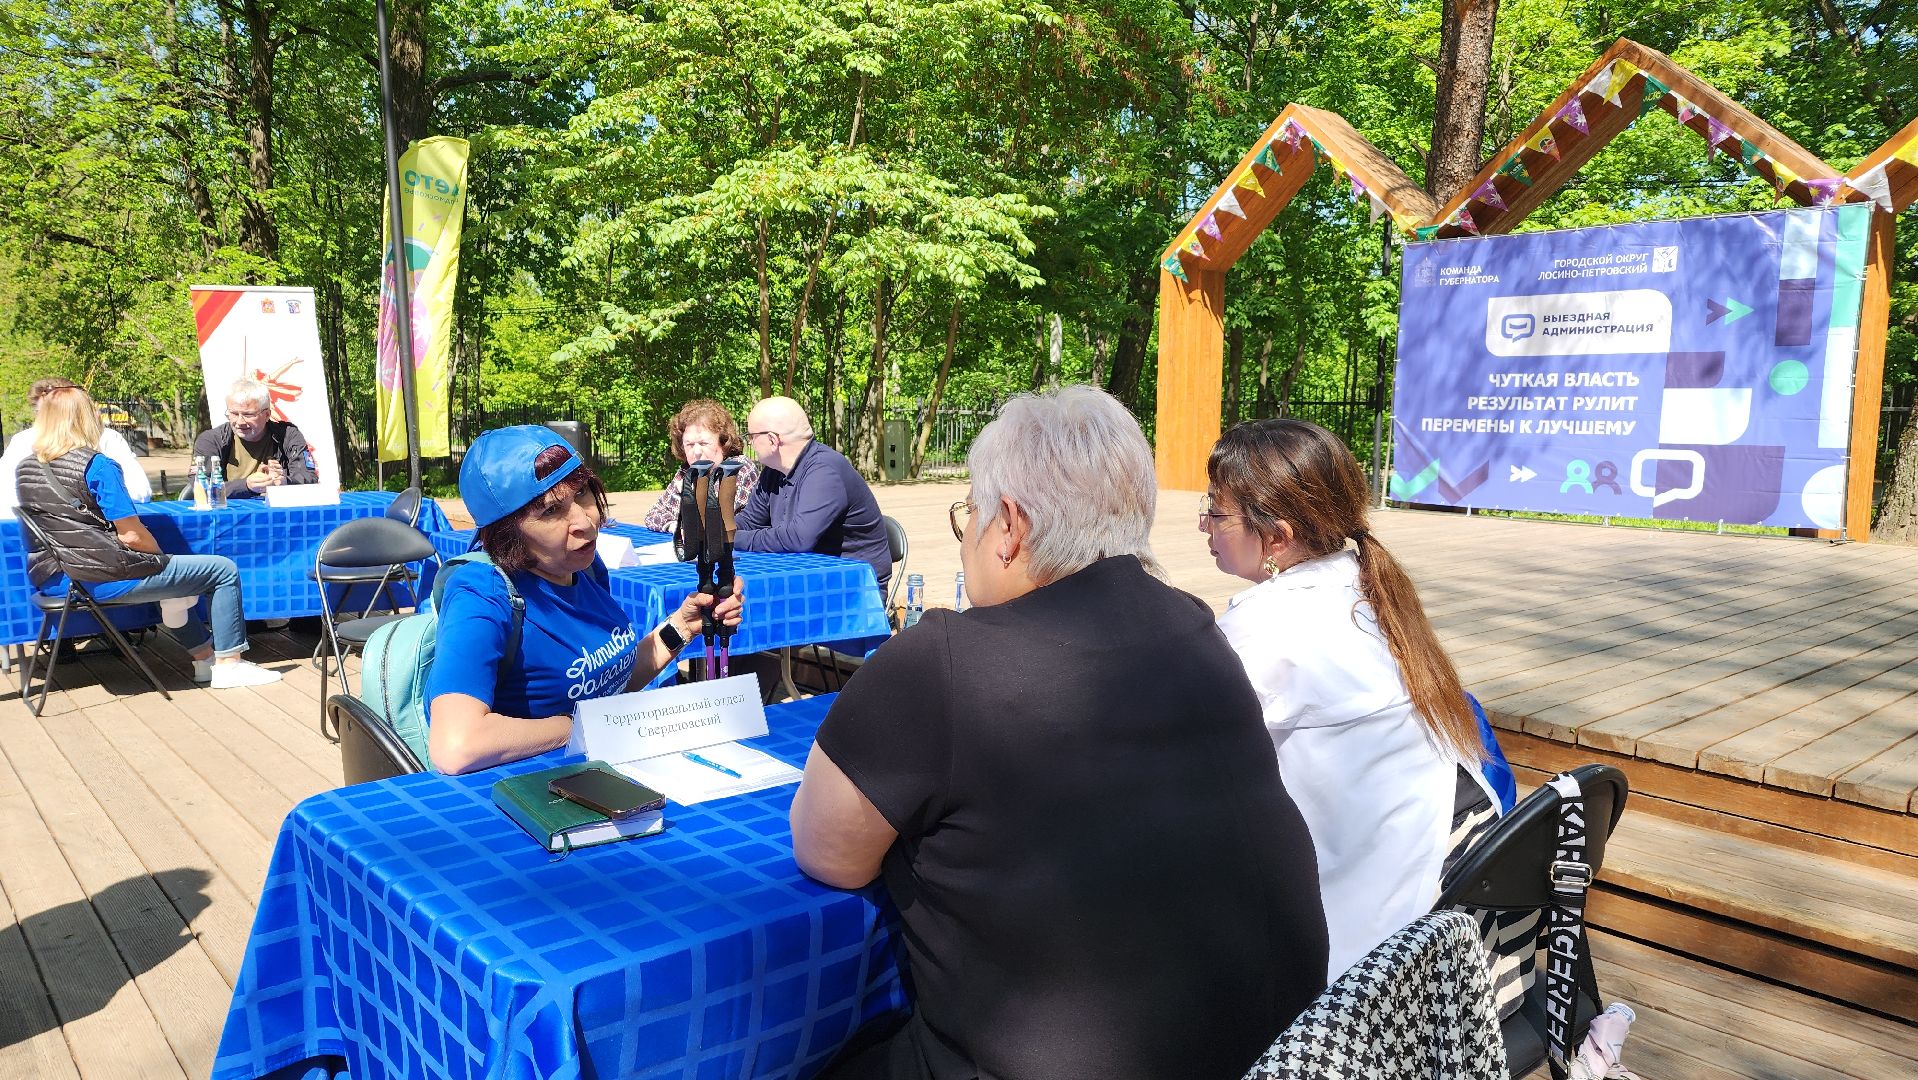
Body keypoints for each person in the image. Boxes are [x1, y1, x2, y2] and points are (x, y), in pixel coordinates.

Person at [791, 386, 1327, 1080]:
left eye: (970, 517)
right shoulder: (1195, 626)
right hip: (1271, 1054)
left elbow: (828, 853)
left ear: (1009, 525)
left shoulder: (940, 662)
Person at [1201, 418, 1499, 983]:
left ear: (1279, 536)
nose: (1202, 525)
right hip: (1417, 921)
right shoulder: (1367, 588)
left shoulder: (1269, 629)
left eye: (1216, 511)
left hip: (1344, 964)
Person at [425, 425, 745, 775]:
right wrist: (579, 725)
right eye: (550, 511)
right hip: (528, 792)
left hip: (599, 771)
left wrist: (682, 626)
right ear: (506, 531)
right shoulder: (482, 591)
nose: (586, 522)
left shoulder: (587, 567)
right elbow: (456, 746)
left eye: (581, 495)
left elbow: (609, 681)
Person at [14, 385, 282, 688]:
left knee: (167, 576)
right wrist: (159, 560)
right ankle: (230, 665)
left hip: (55, 578)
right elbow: (131, 536)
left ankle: (205, 660)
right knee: (221, 569)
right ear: (86, 418)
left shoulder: (26, 468)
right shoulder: (97, 465)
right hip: (97, 579)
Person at [736, 396, 891, 596]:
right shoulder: (773, 470)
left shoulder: (825, 470)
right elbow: (750, 520)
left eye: (752, 436)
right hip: (805, 577)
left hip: (852, 588)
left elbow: (798, 539)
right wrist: (718, 533)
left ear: (773, 440)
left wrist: (732, 540)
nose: (750, 443)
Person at [1, 377, 152, 515]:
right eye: (41, 412)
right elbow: (6, 497)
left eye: (53, 411)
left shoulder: (107, 438)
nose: (46, 419)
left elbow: (140, 491)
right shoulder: (23, 441)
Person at [640, 398, 761, 532]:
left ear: (724, 443)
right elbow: (654, 514)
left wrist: (682, 523)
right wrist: (674, 526)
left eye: (704, 443)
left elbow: (716, 522)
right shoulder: (686, 472)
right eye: (690, 445)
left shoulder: (738, 468)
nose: (696, 452)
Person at [192, 377, 318, 498]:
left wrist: (284, 482)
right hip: (227, 513)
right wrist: (246, 486)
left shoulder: (288, 436)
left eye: (249, 414)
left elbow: (309, 477)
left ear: (267, 414)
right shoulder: (210, 440)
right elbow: (200, 486)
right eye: (234, 414)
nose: (240, 421)